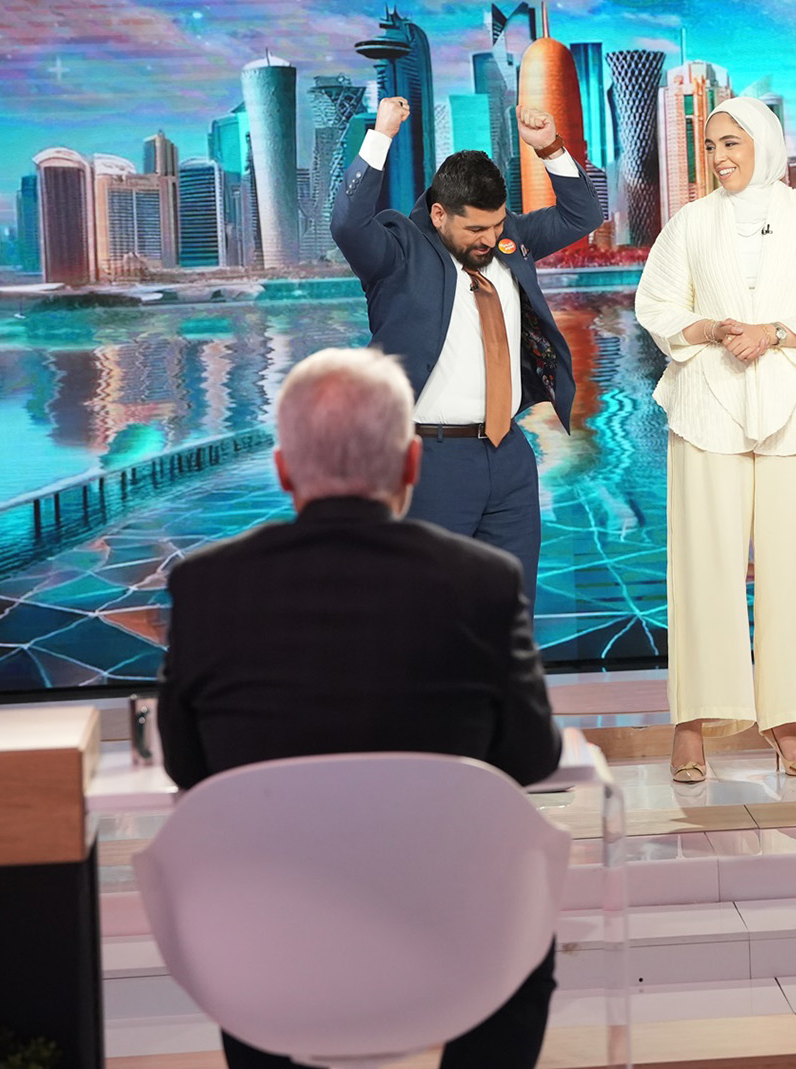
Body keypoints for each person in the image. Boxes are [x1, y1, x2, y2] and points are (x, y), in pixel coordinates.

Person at [158, 347, 561, 1069]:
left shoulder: (205, 586)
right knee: (526, 926)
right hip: (448, 930)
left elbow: (189, 768)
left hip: (268, 938)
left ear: (284, 470)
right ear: (412, 464)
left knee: (240, 927)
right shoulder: (484, 581)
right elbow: (533, 758)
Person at [633, 97, 796, 783]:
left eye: (731, 142)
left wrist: (777, 333)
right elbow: (657, 305)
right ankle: (692, 725)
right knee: (703, 567)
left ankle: (787, 720)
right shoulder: (690, 222)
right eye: (710, 145)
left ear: (763, 142)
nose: (719, 157)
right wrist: (711, 328)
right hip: (708, 405)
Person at [330, 96, 601, 598]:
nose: (489, 239)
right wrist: (381, 135)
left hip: (509, 456)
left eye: (496, 224)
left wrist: (550, 148)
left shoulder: (509, 239)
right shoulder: (398, 251)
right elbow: (347, 224)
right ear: (438, 214)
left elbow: (582, 214)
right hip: (429, 461)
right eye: (475, 228)